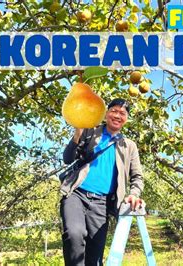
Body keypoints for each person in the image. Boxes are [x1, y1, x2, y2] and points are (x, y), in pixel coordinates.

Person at [60, 98, 144, 265]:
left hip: (102, 204)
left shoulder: (129, 146)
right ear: (106, 114)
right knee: (74, 234)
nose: (117, 115)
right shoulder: (90, 132)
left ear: (127, 118)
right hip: (77, 194)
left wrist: (134, 194)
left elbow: (137, 177)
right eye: (114, 111)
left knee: (95, 255)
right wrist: (77, 134)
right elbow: (68, 159)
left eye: (122, 113)